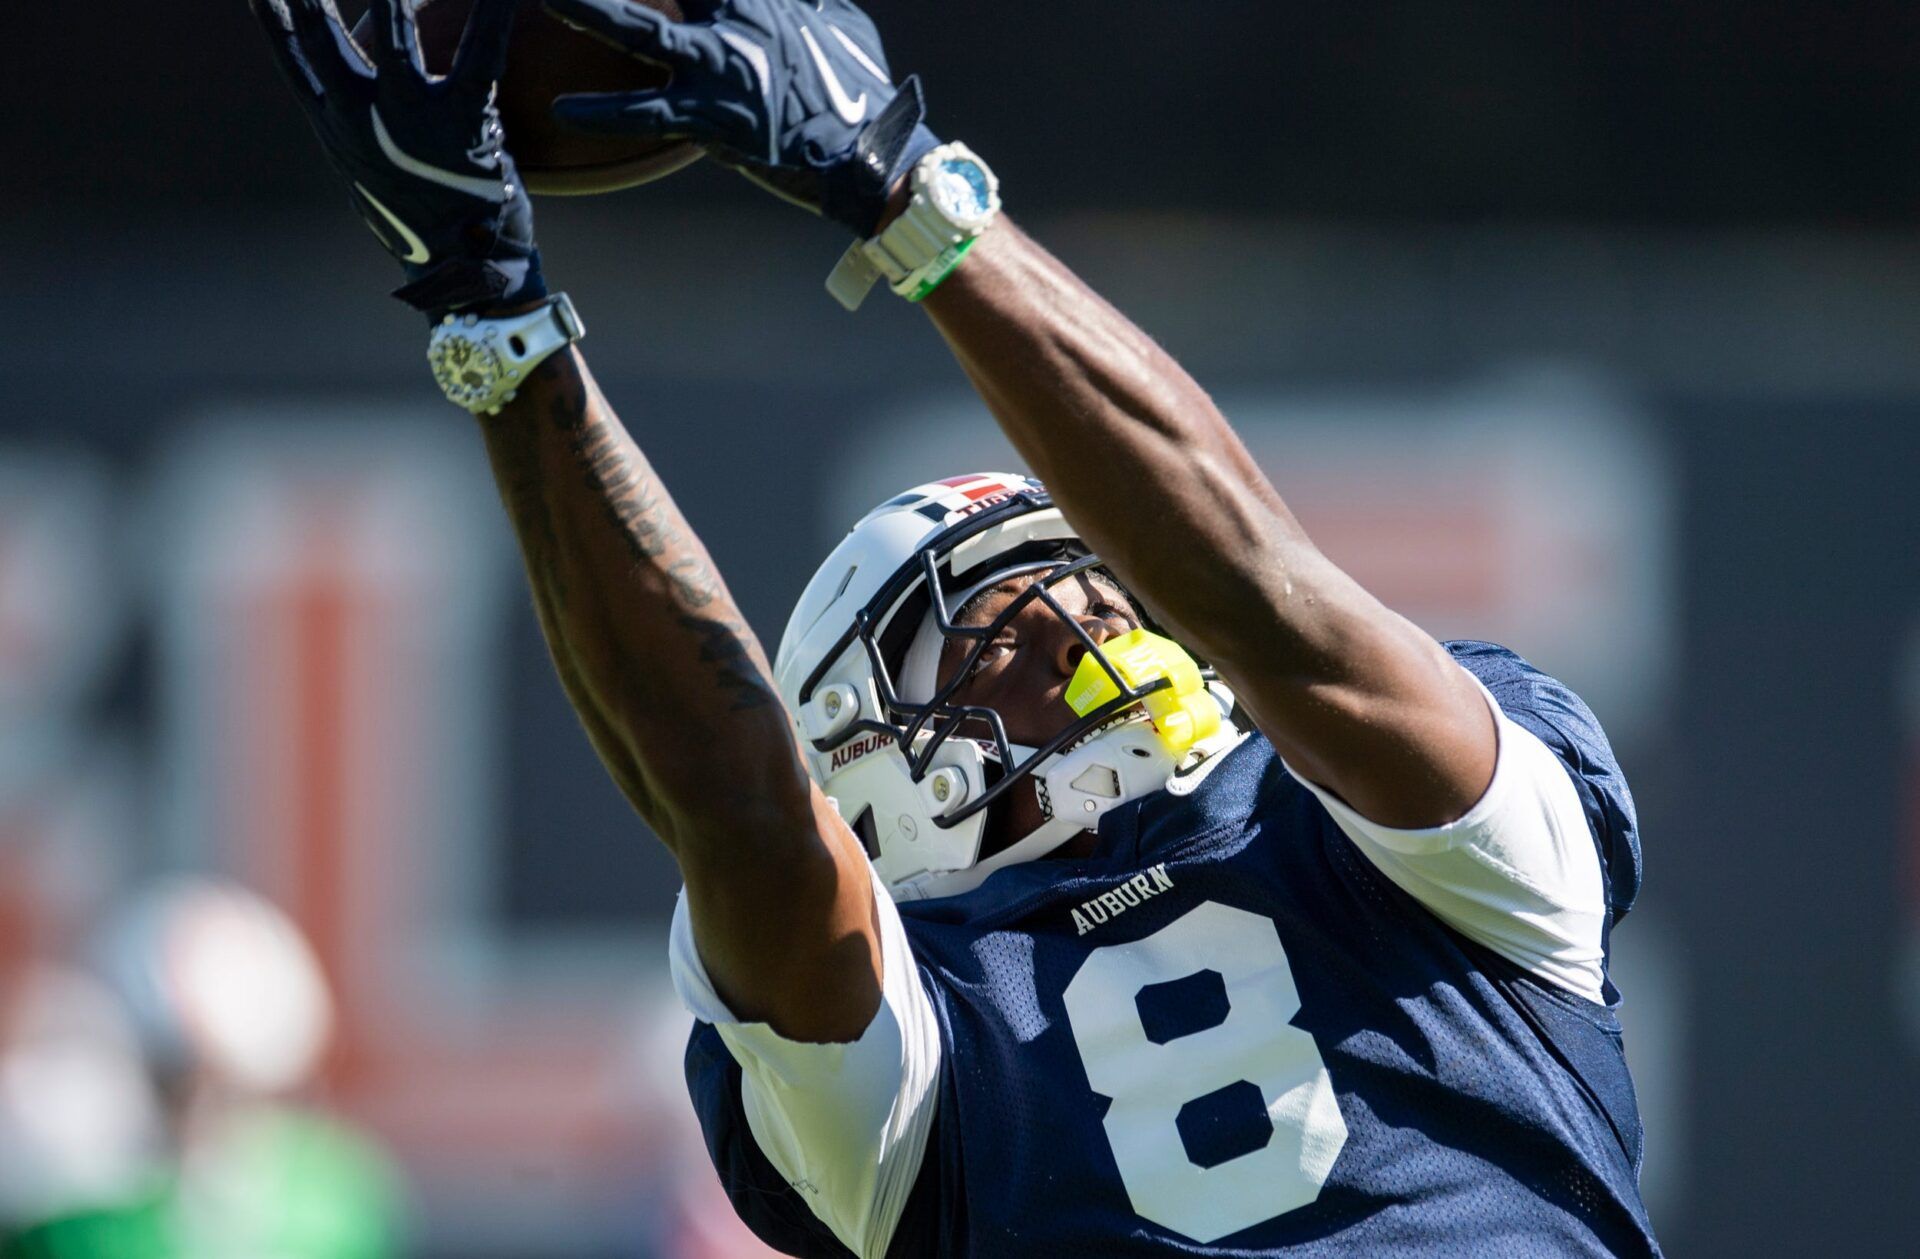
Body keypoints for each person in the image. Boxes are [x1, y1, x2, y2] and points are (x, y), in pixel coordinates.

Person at [247, 0, 1660, 1253]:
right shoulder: (924, 1048)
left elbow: (1267, 597)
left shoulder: (1437, 854)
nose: (1077, 617)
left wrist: (903, 188)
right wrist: (496, 322)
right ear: (866, 784)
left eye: (1098, 573)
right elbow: (740, 812)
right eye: (981, 619)